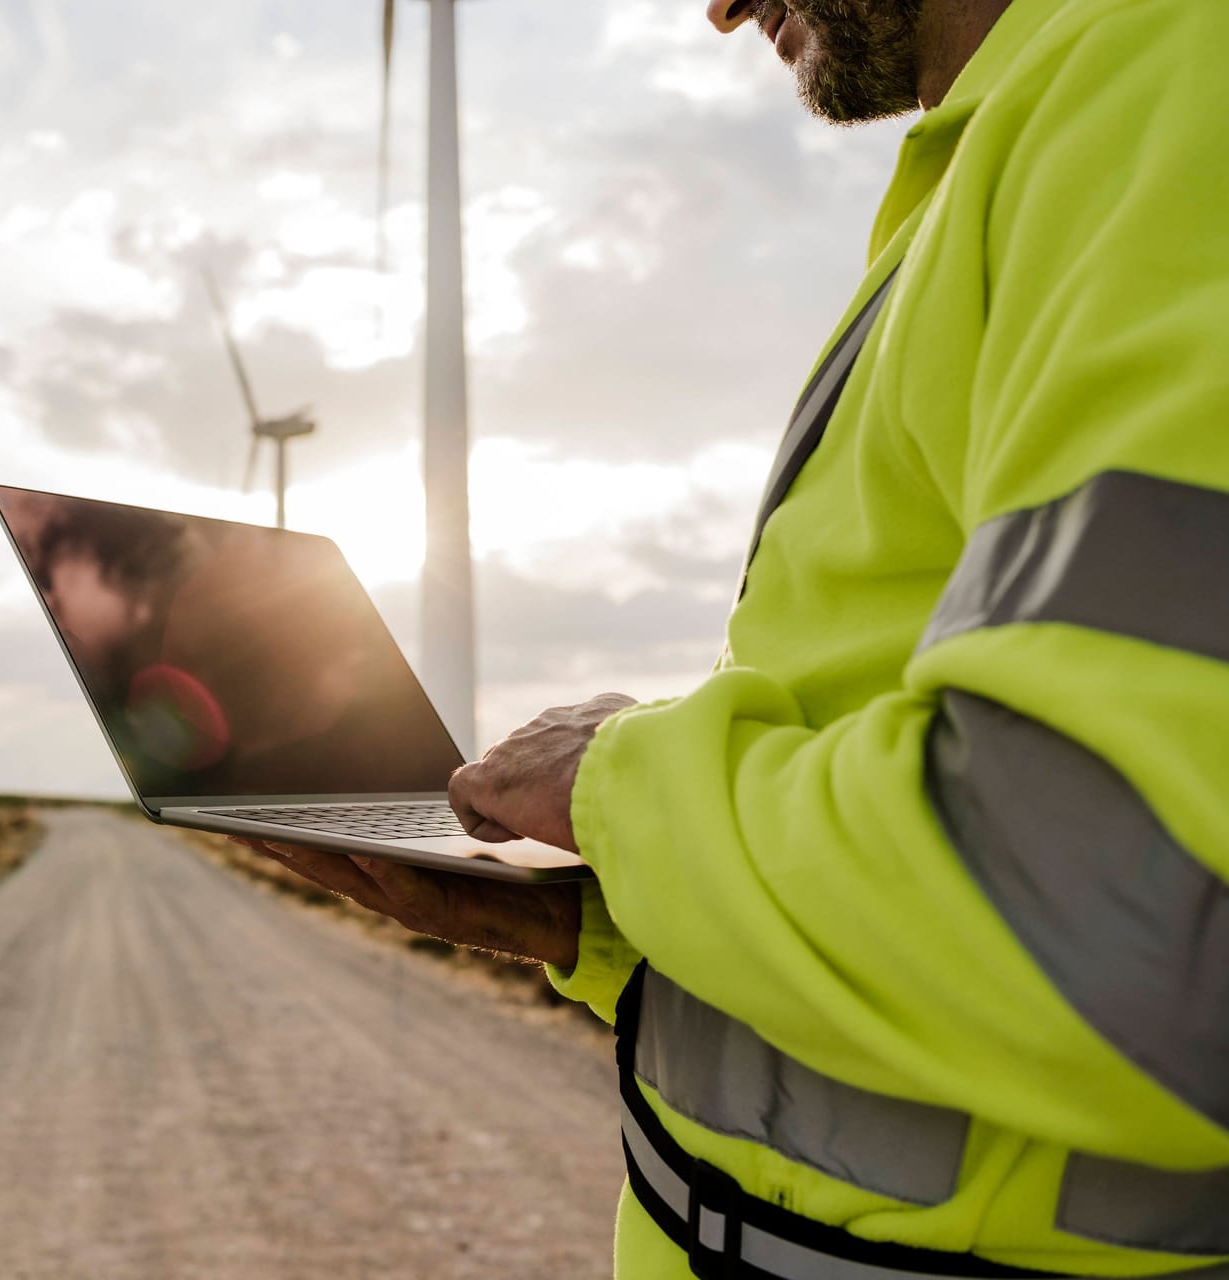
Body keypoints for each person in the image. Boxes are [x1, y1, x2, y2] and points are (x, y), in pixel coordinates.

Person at [236, 0, 1229, 1274]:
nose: (714, 6)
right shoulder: (999, 157)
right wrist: (609, 925)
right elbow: (920, 828)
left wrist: (618, 778)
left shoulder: (1169, 74)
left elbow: (1119, 914)